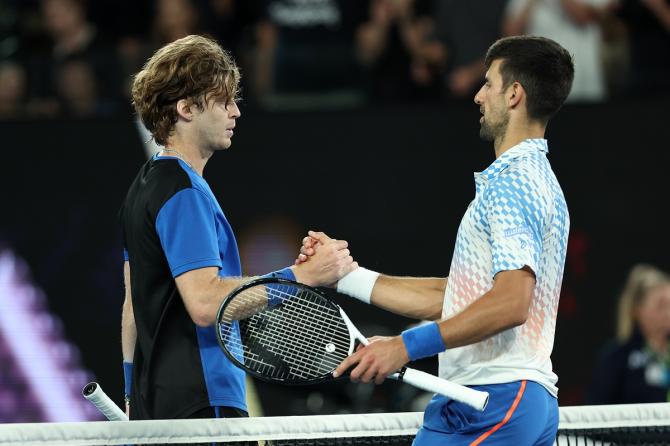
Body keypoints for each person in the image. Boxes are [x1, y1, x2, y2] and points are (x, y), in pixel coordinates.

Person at [298, 35, 574, 444]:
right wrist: (344, 276)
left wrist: (407, 346)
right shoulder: (534, 180)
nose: (479, 96)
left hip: (494, 402)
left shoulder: (515, 183)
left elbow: (510, 303)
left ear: (514, 95)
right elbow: (460, 298)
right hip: (492, 400)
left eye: (489, 84)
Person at [119, 34, 356, 420]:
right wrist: (301, 276)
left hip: (158, 404)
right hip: (203, 402)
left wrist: (132, 393)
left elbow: (132, 305)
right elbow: (206, 303)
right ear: (186, 109)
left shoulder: (143, 188)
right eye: (224, 101)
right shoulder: (183, 193)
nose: (236, 113)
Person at [587, 264, 670, 404]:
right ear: (637, 310)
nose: (668, 312)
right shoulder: (617, 358)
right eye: (661, 305)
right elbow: (596, 410)